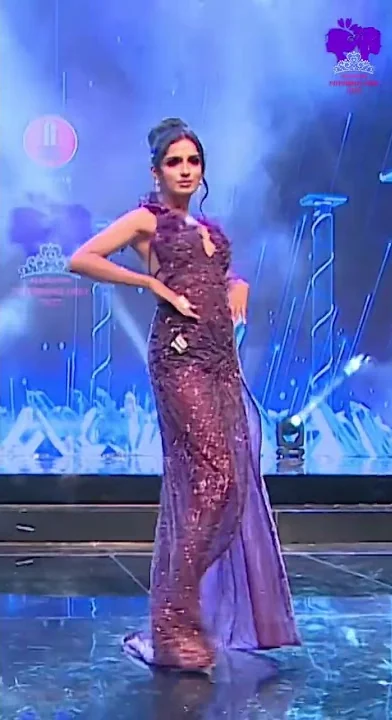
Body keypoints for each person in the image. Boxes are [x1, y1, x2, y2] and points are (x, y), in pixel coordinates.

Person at [70, 117, 301, 676]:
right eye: (173, 162)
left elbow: (221, 278)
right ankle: (174, 620)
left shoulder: (209, 229)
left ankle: (182, 612)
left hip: (220, 359)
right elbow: (82, 258)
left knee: (229, 483)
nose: (185, 170)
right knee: (214, 479)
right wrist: (151, 283)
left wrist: (238, 285)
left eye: (192, 161)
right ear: (156, 172)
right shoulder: (147, 220)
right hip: (178, 358)